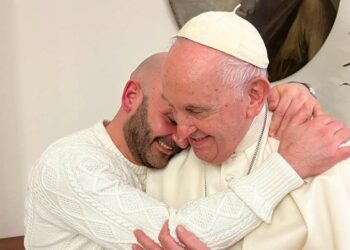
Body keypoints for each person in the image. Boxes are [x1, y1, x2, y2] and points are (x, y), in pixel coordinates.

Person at [25, 51, 332, 249]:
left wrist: (292, 94)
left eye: (193, 115)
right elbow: (176, 234)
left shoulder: (163, 157)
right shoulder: (67, 164)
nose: (183, 137)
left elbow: (224, 95)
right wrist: (289, 166)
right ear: (131, 96)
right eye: (171, 118)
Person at [136, 11, 350, 250]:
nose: (181, 135)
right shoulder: (161, 165)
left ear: (254, 96)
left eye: (196, 111)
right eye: (173, 109)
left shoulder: (326, 167)